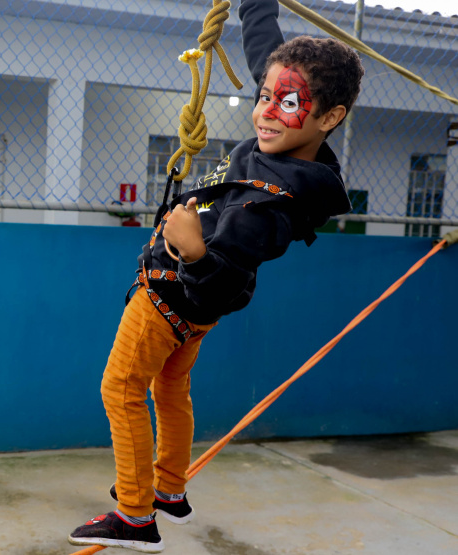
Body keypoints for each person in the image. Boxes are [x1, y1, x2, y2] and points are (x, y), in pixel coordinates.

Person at [68, 0, 363, 552]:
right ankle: (169, 492)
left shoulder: (274, 202)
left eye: (289, 103)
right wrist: (256, 5)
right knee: (169, 386)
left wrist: (191, 249)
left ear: (330, 117)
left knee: (122, 389)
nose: (267, 112)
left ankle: (134, 515)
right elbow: (263, 49)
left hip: (168, 298)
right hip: (189, 316)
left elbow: (224, 282)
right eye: (265, 97)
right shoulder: (291, 149)